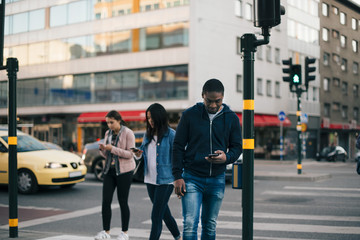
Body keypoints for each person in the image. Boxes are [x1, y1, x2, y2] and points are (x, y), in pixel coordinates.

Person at [172, 78, 242, 240]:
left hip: (217, 179)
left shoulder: (231, 118)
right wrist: (177, 176)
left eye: (217, 101)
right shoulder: (189, 115)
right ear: (203, 95)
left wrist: (226, 157)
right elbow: (178, 146)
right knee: (190, 223)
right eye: (209, 101)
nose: (212, 105)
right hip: (191, 177)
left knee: (210, 224)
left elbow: (237, 147)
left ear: (223, 97)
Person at [132, 103, 181, 240]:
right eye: (148, 118)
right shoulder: (148, 134)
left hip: (166, 180)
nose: (150, 121)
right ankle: (178, 237)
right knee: (164, 213)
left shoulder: (171, 135)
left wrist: (179, 178)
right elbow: (144, 152)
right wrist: (138, 153)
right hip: (150, 179)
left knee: (156, 216)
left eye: (152, 118)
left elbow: (179, 156)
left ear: (160, 117)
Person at [95, 110, 136, 240]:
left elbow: (130, 154)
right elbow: (107, 155)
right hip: (109, 171)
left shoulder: (128, 133)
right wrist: (103, 150)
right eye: (107, 123)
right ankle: (106, 232)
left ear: (119, 120)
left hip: (124, 171)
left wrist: (112, 149)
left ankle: (124, 233)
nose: (109, 125)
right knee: (105, 201)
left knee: (123, 201)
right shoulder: (108, 133)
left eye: (111, 122)